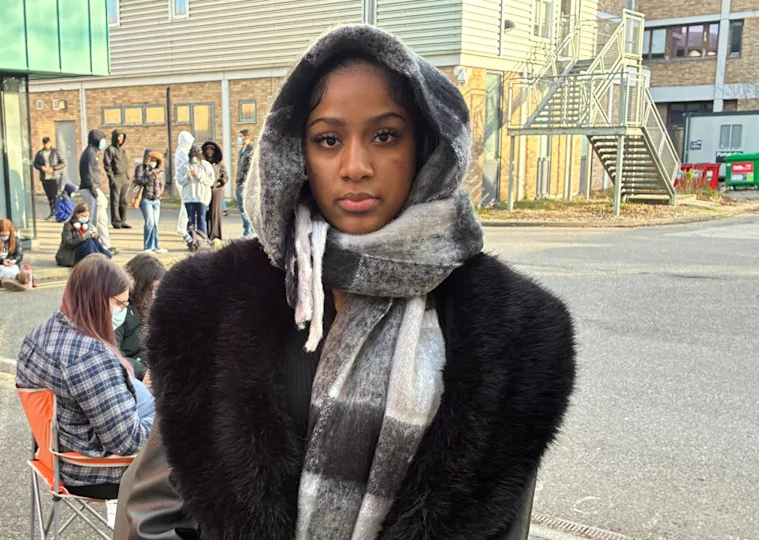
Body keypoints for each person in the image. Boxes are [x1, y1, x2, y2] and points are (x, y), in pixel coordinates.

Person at [114, 26, 576, 540]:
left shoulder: (511, 330)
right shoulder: (216, 303)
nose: (355, 166)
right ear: (297, 153)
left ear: (426, 146)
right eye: (328, 140)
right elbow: (153, 512)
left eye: (385, 135)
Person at [17, 254, 153, 516]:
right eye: (121, 304)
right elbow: (129, 441)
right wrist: (174, 423)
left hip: (53, 455)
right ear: (98, 301)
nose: (123, 313)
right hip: (92, 470)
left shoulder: (40, 334)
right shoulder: (90, 356)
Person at [114, 254, 167, 381]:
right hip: (134, 381)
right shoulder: (120, 312)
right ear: (141, 287)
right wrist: (141, 371)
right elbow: (109, 357)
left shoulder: (152, 310)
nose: (158, 294)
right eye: (155, 289)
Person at [79, 129, 114, 253]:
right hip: (90, 188)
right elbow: (88, 174)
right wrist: (94, 190)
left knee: (102, 219)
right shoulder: (89, 154)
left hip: (94, 188)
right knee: (94, 219)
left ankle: (106, 245)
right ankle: (92, 246)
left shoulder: (92, 153)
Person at [0, 218, 32, 292]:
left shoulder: (15, 240)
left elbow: (19, 255)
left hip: (10, 265)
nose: (5, 237)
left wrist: (12, 261)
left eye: (7, 235)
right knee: (0, 270)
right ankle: (19, 278)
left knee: (14, 268)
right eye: (2, 235)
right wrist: (1, 261)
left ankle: (15, 281)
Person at [132, 149, 167, 254]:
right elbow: (139, 180)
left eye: (156, 160)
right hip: (145, 199)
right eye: (152, 159)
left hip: (156, 200)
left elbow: (161, 184)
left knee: (155, 224)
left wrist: (159, 193)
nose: (154, 162)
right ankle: (147, 246)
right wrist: (152, 176)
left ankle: (156, 246)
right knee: (149, 222)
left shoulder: (158, 169)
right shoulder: (141, 168)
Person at [55, 203, 111, 267]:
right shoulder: (68, 226)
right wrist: (84, 237)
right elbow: (68, 243)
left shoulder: (86, 225)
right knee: (89, 242)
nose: (85, 218)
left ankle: (105, 257)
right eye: (83, 216)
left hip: (82, 252)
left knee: (93, 240)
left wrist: (94, 236)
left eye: (87, 216)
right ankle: (96, 261)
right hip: (70, 255)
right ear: (77, 214)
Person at [176, 145, 214, 236]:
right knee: (191, 220)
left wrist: (199, 176)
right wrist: (187, 177)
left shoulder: (206, 165)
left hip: (202, 197)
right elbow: (179, 180)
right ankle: (192, 240)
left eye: (195, 156)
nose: (194, 158)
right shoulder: (184, 165)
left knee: (201, 219)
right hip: (189, 198)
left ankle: (203, 240)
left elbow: (211, 181)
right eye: (192, 156)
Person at [104, 129, 132, 230]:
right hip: (116, 177)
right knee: (115, 200)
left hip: (124, 177)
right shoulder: (110, 149)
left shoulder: (123, 150)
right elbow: (107, 165)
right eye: (119, 136)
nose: (120, 139)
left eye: (122, 137)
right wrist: (112, 178)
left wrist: (127, 176)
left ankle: (123, 220)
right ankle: (116, 221)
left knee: (124, 200)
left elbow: (125, 164)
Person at [33, 136, 66, 220]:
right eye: (45, 144)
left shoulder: (56, 152)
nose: (46, 145)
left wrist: (54, 168)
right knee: (49, 195)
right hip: (45, 178)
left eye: (47, 143)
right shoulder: (40, 153)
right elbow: (35, 164)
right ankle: (52, 212)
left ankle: (56, 213)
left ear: (50, 143)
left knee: (56, 195)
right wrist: (41, 168)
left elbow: (63, 163)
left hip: (55, 177)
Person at [201, 141, 228, 241]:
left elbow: (225, 176)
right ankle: (205, 235)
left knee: (215, 214)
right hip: (204, 191)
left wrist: (221, 182)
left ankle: (215, 236)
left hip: (216, 191)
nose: (209, 151)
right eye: (207, 149)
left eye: (211, 149)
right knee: (205, 214)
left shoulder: (218, 163)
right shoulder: (203, 163)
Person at [234, 128, 255, 238]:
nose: (239, 138)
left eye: (241, 136)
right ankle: (246, 231)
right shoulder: (241, 151)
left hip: (246, 184)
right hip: (239, 183)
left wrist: (247, 183)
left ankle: (250, 231)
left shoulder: (251, 150)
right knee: (242, 209)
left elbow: (251, 169)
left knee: (247, 209)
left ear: (247, 137)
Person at [173, 131, 194, 238]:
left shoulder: (183, 150)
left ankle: (182, 226)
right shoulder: (181, 152)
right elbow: (187, 164)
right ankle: (182, 228)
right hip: (182, 180)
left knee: (185, 204)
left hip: (185, 179)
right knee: (186, 204)